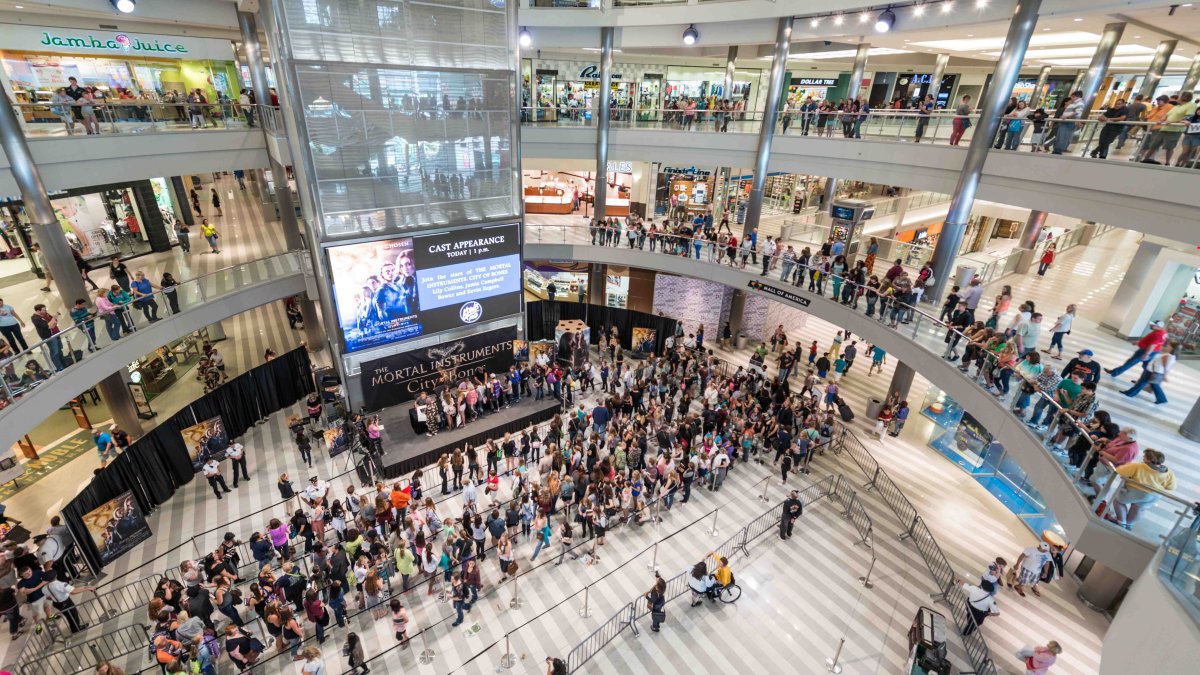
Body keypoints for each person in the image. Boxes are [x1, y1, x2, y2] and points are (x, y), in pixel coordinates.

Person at [1108, 449, 1176, 530]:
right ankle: (1129, 524)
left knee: (1118, 501)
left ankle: (1121, 522)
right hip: (1155, 495)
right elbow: (1171, 487)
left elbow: (1120, 471)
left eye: (1144, 457)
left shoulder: (1139, 466)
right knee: (1139, 508)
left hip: (1137, 491)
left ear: (1149, 459)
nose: (1143, 458)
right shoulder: (1168, 472)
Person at [1052, 90, 1085, 155]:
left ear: (1076, 97)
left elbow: (1078, 113)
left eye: (1072, 96)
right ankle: (1056, 150)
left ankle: (1058, 151)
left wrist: (1067, 117)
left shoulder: (1080, 103)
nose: (1071, 98)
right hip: (1065, 122)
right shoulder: (1074, 103)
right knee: (1060, 136)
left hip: (1068, 123)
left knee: (1063, 136)